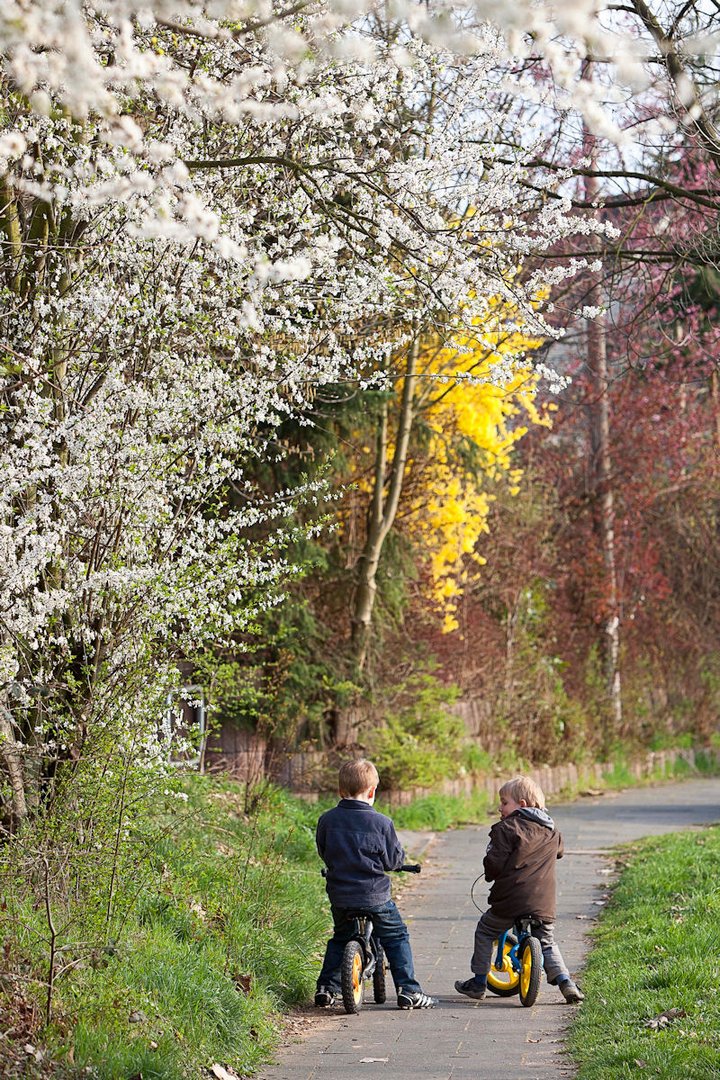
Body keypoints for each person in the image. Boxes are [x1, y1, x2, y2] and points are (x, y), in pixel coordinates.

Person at [314, 757, 436, 1010]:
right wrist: (399, 862)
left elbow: (324, 851)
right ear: (372, 791)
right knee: (396, 936)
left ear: (340, 790)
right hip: (374, 896)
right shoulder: (381, 823)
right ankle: (409, 991)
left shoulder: (327, 820)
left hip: (340, 895)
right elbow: (392, 860)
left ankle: (326, 988)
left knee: (340, 937)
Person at [454, 775, 584, 1004]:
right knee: (546, 941)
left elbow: (494, 861)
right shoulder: (552, 830)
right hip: (543, 902)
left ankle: (478, 982)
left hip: (510, 901)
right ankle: (566, 983)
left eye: (504, 802)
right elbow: (560, 852)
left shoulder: (506, 828)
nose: (500, 808)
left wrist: (489, 874)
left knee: (485, 930)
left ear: (521, 805)